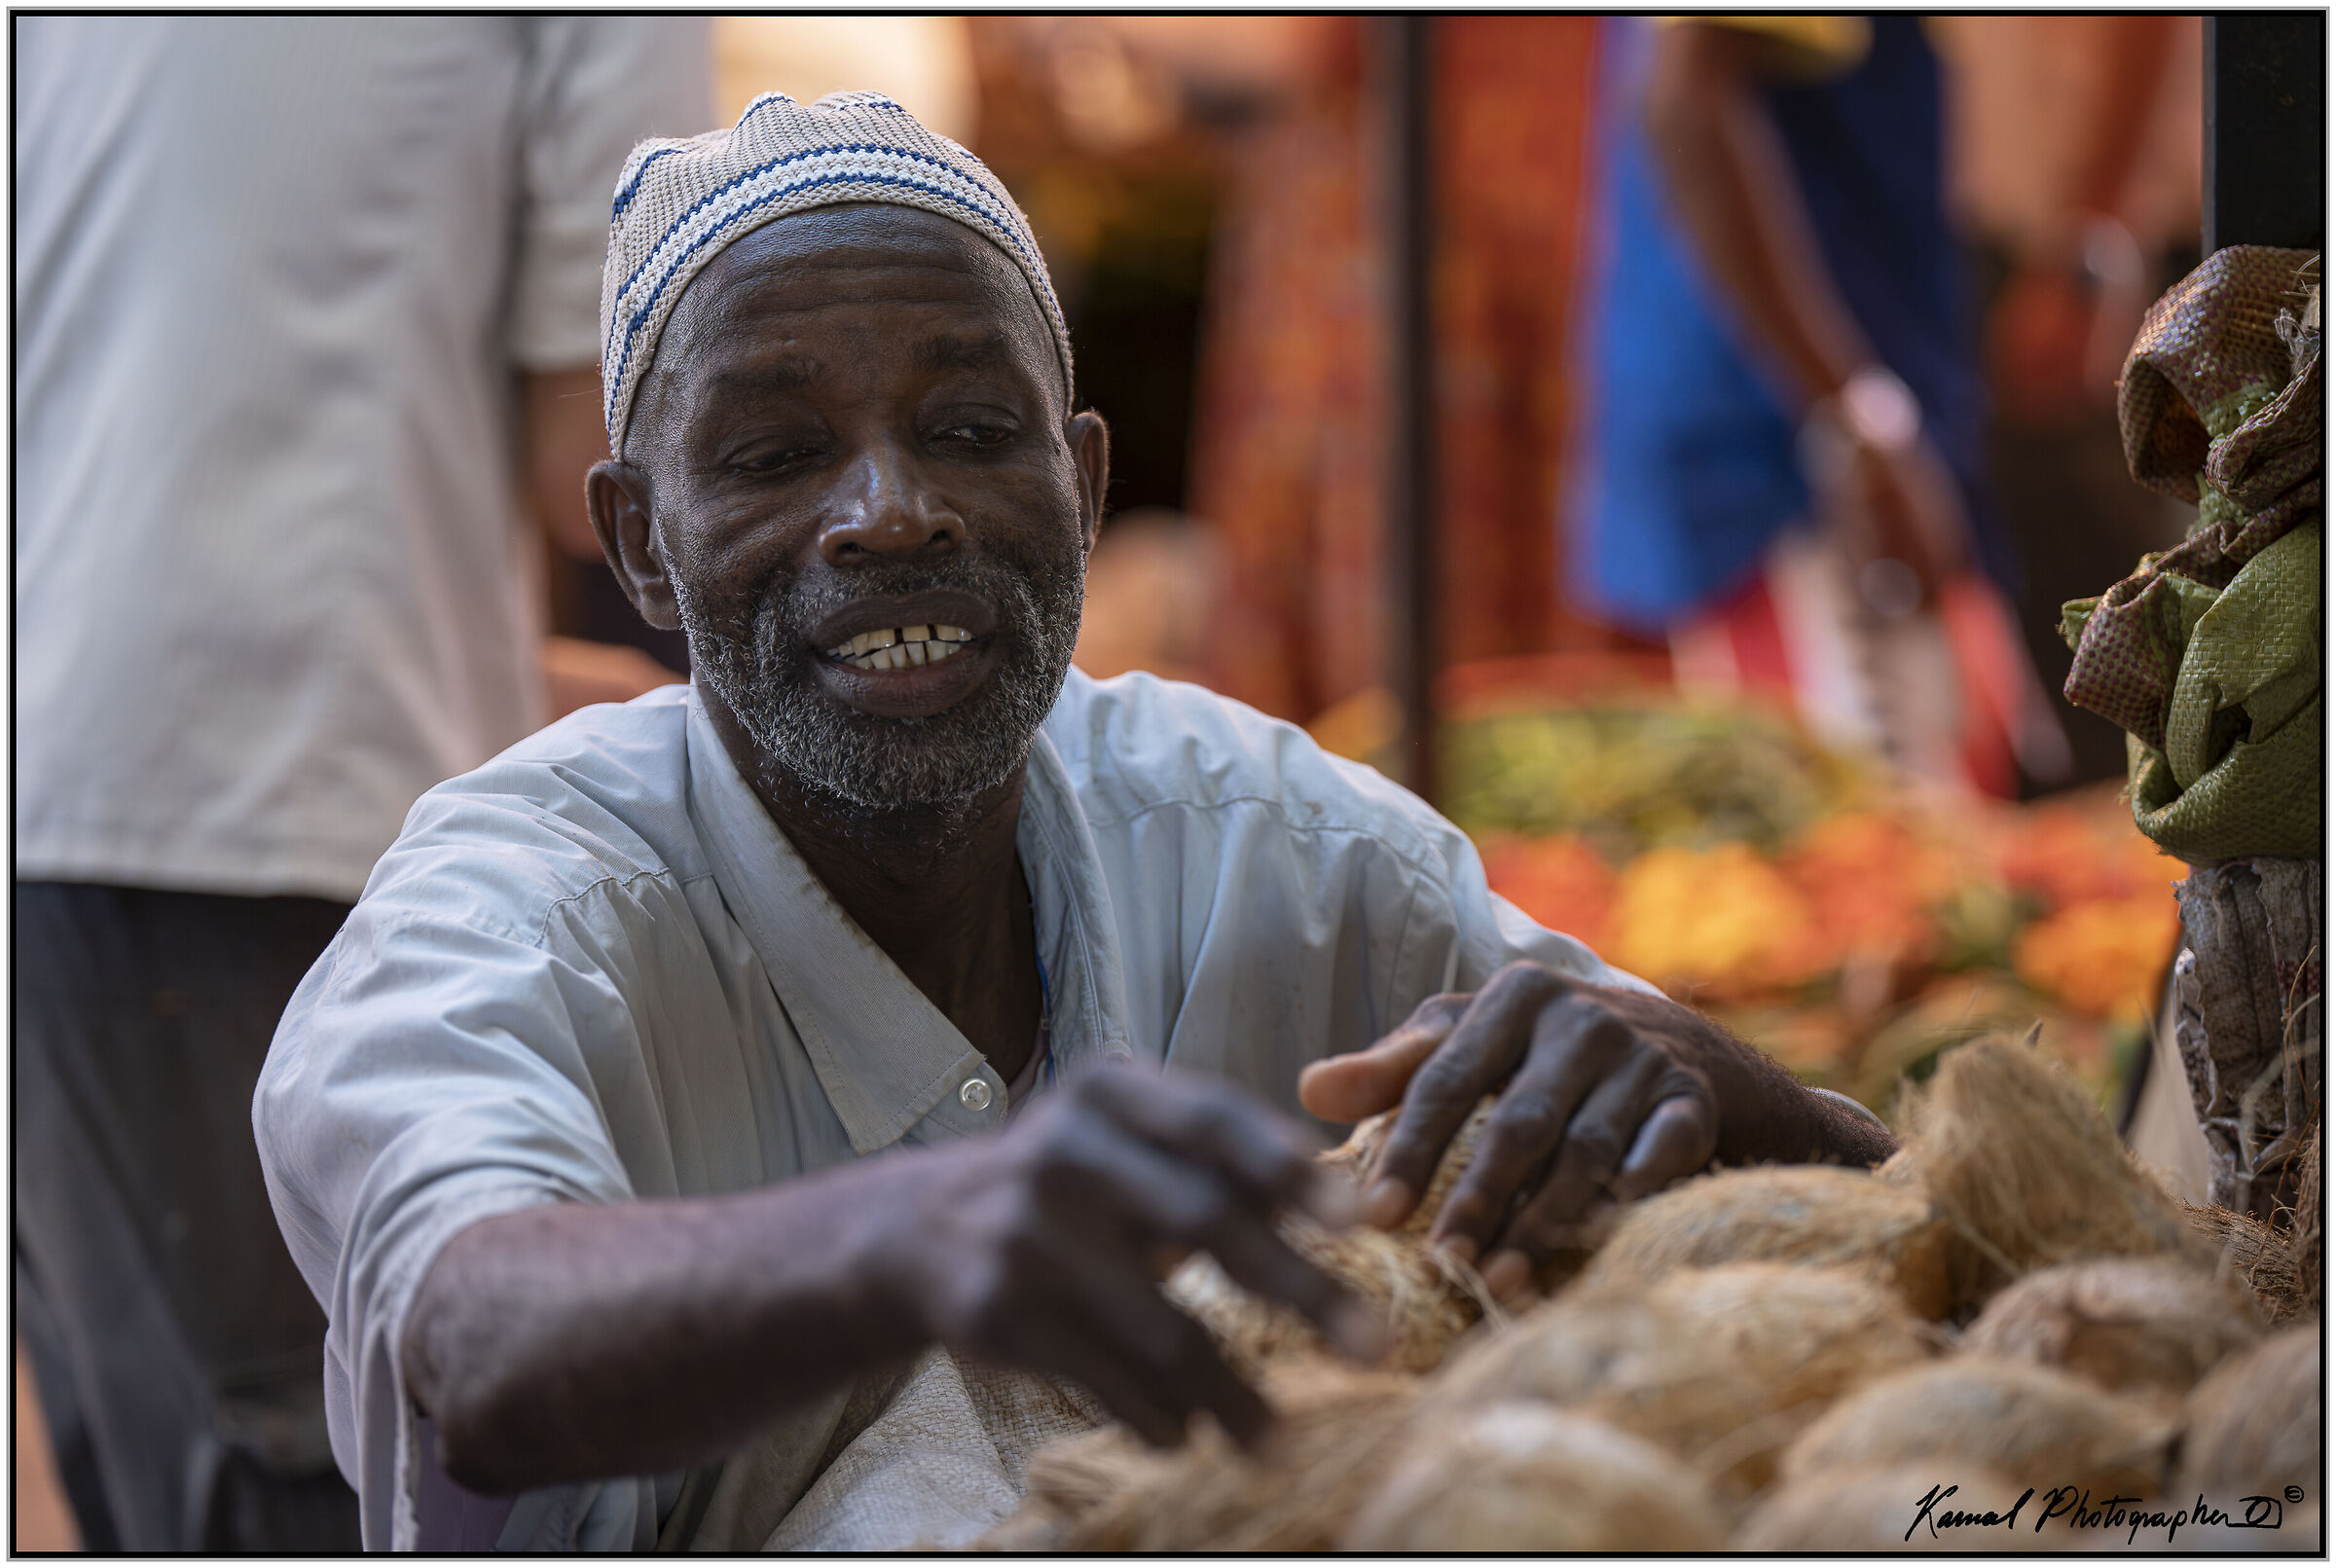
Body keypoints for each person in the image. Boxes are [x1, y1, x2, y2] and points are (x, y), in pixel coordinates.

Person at [253, 92, 1894, 1552]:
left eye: (971, 431)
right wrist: (909, 1231)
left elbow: (1871, 1190)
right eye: (773, 453)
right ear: (642, 544)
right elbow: (461, 1334)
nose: (890, 511)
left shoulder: (1270, 841)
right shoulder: (514, 908)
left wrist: (1709, 1081)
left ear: (1086, 486)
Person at [14, 17, 707, 1550]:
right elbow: (612, 452)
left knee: (155, 1491)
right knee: (310, 1495)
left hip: (78, 792)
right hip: (263, 800)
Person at [1575, 16, 2070, 796]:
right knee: (1879, 858)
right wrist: (1855, 421)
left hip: (1819, 415)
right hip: (1780, 459)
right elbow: (1685, 103)